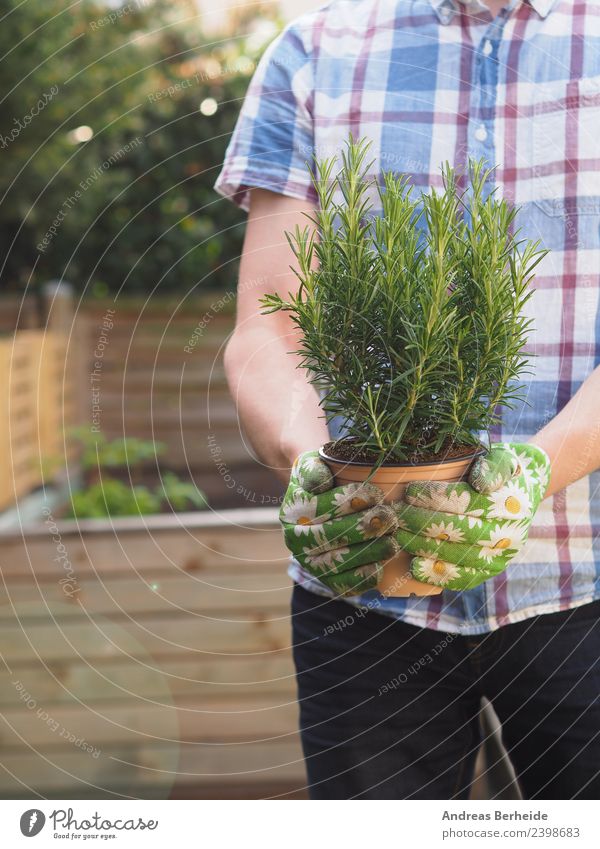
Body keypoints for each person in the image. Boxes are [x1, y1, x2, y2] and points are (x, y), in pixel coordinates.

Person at [214, 0, 600, 799]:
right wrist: (310, 458)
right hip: (364, 597)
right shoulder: (313, 51)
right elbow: (268, 324)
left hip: (587, 581)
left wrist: (535, 468)